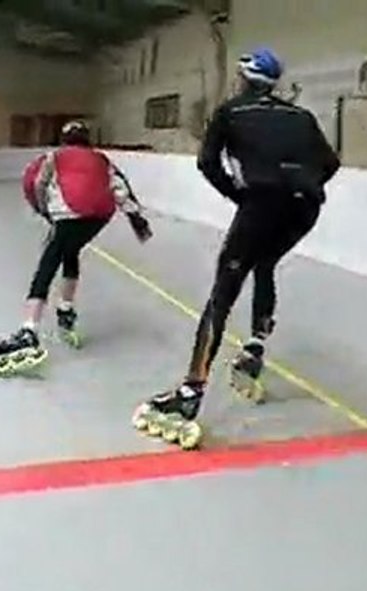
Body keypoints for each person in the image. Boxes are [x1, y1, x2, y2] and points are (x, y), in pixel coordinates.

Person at [133, 47, 340, 442]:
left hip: (260, 206)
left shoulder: (230, 112)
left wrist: (240, 196)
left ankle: (190, 391)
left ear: (242, 79)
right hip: (304, 210)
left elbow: (207, 164)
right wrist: (302, 187)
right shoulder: (301, 116)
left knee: (222, 295)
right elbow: (330, 165)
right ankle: (255, 349)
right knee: (265, 265)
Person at [0, 120, 152, 377]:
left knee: (48, 264)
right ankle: (66, 310)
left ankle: (29, 329)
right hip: (98, 217)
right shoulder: (101, 159)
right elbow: (120, 190)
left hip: (68, 214)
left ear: (64, 140)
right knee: (71, 251)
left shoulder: (54, 157)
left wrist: (44, 211)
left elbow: (37, 184)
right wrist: (137, 220)